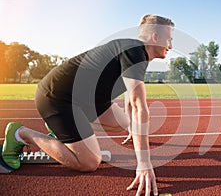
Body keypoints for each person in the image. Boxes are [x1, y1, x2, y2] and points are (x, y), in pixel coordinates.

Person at [1, 14, 174, 196]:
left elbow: (131, 97)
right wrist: (144, 163)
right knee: (89, 162)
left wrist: (132, 126)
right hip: (57, 97)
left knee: (125, 122)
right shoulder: (135, 52)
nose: (170, 45)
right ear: (155, 37)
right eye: (169, 39)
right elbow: (139, 106)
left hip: (85, 101)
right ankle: (21, 134)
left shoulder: (136, 52)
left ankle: (63, 130)